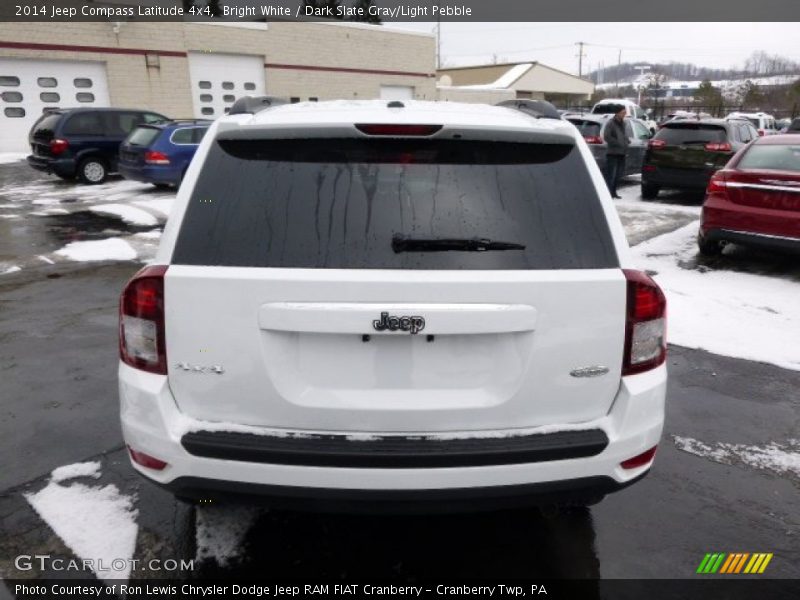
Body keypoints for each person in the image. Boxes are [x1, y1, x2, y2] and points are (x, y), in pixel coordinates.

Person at [602, 105, 629, 199]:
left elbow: (624, 135)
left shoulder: (624, 123)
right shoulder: (611, 123)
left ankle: (613, 192)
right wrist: (617, 143)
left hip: (622, 152)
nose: (624, 114)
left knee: (618, 174)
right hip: (613, 153)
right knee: (611, 175)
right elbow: (607, 136)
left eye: (625, 112)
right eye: (623, 112)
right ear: (617, 113)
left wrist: (626, 141)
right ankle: (608, 193)